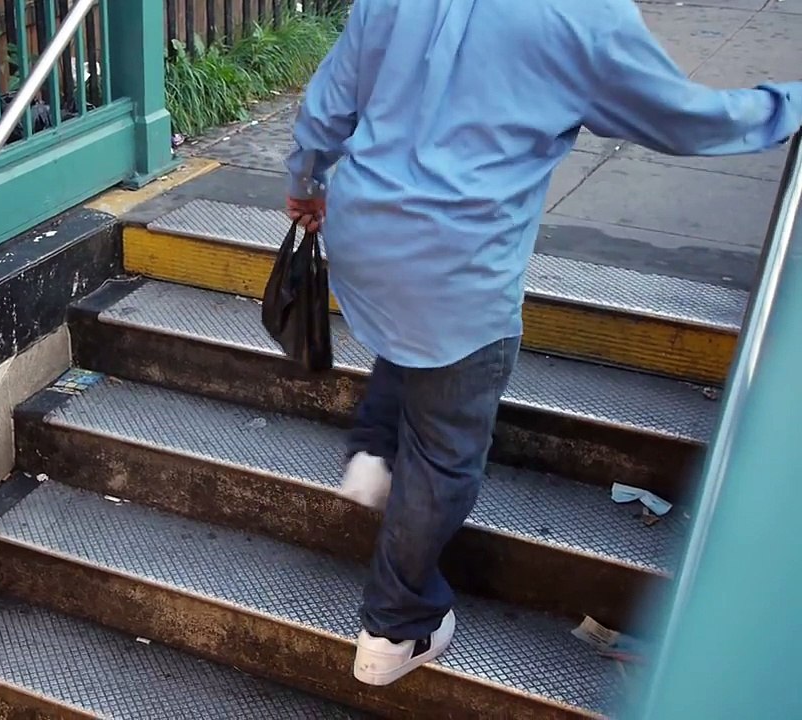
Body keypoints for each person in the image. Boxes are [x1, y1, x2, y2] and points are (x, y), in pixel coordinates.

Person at [285, 0, 802, 688]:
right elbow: (683, 119)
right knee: (445, 451)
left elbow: (327, 105)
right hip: (459, 267)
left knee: (411, 332)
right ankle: (395, 624)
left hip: (365, 233)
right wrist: (785, 104)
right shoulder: (580, 14)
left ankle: (376, 445)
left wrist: (305, 182)